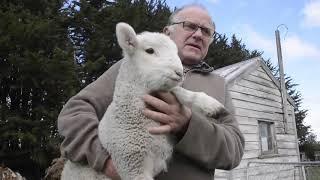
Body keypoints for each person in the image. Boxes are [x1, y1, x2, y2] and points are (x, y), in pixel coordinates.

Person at [57, 4, 245, 180]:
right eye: (190, 26)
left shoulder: (218, 85)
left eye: (207, 31)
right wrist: (103, 160)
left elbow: (234, 150)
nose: (198, 35)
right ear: (167, 32)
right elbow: (74, 112)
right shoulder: (131, 66)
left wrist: (187, 125)